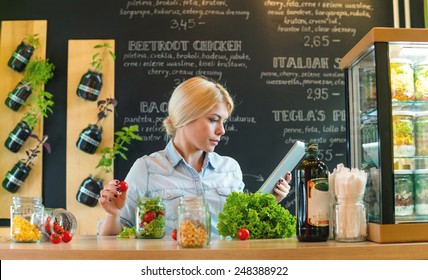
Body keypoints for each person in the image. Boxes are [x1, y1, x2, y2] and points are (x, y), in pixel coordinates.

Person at [98, 76, 292, 236]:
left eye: (223, 121)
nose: (222, 130)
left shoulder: (230, 168)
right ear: (185, 116)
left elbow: (242, 229)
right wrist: (113, 215)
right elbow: (112, 239)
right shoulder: (147, 168)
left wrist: (271, 199)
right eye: (214, 120)